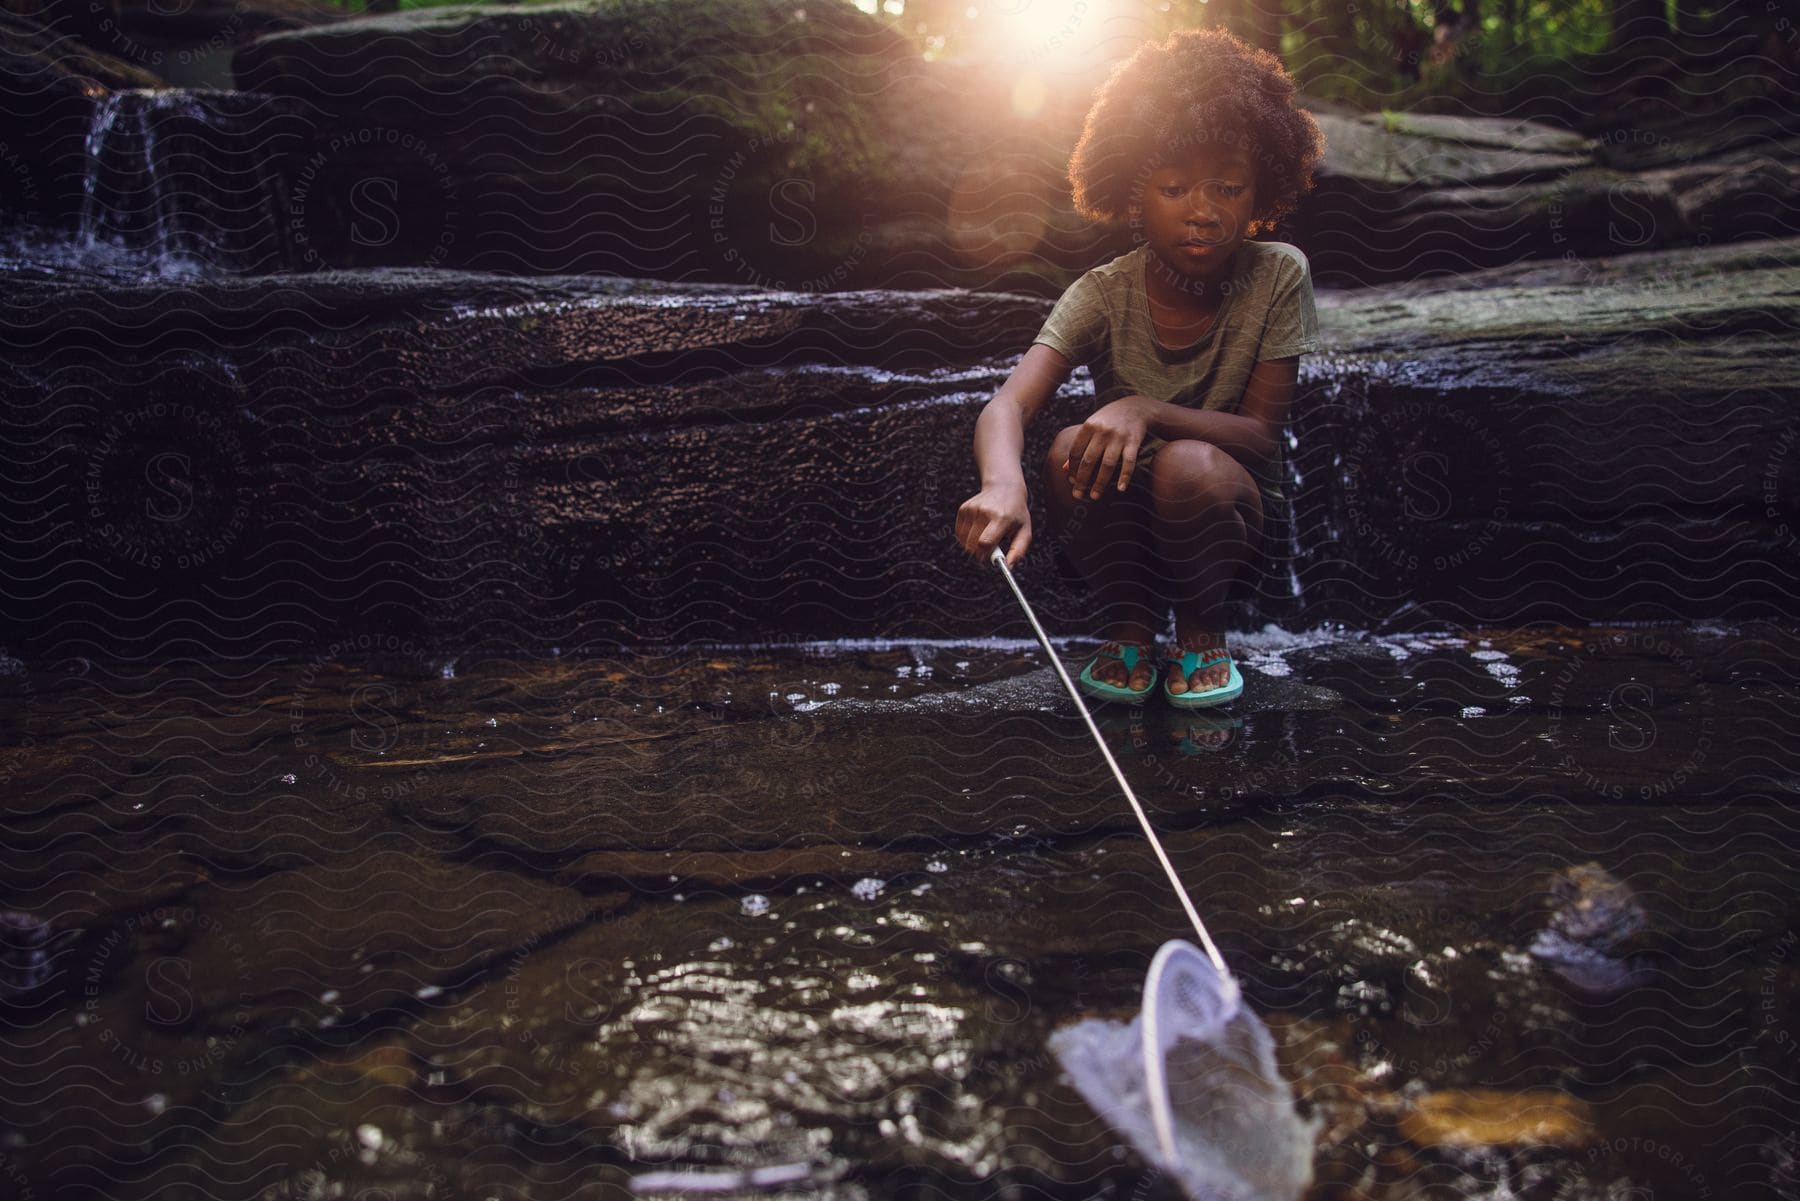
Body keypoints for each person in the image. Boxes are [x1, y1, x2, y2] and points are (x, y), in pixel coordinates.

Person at [953, 27, 1325, 709]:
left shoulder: (1279, 275)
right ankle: (1129, 628)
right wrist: (1002, 483)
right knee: (1070, 448)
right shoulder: (1103, 291)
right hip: (1125, 526)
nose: (1204, 211)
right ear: (1132, 192)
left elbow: (1262, 436)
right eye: (1175, 187)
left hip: (1228, 519)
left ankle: (1202, 634)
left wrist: (1146, 408)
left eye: (1229, 188)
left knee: (1187, 464)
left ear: (1263, 191)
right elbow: (1008, 404)